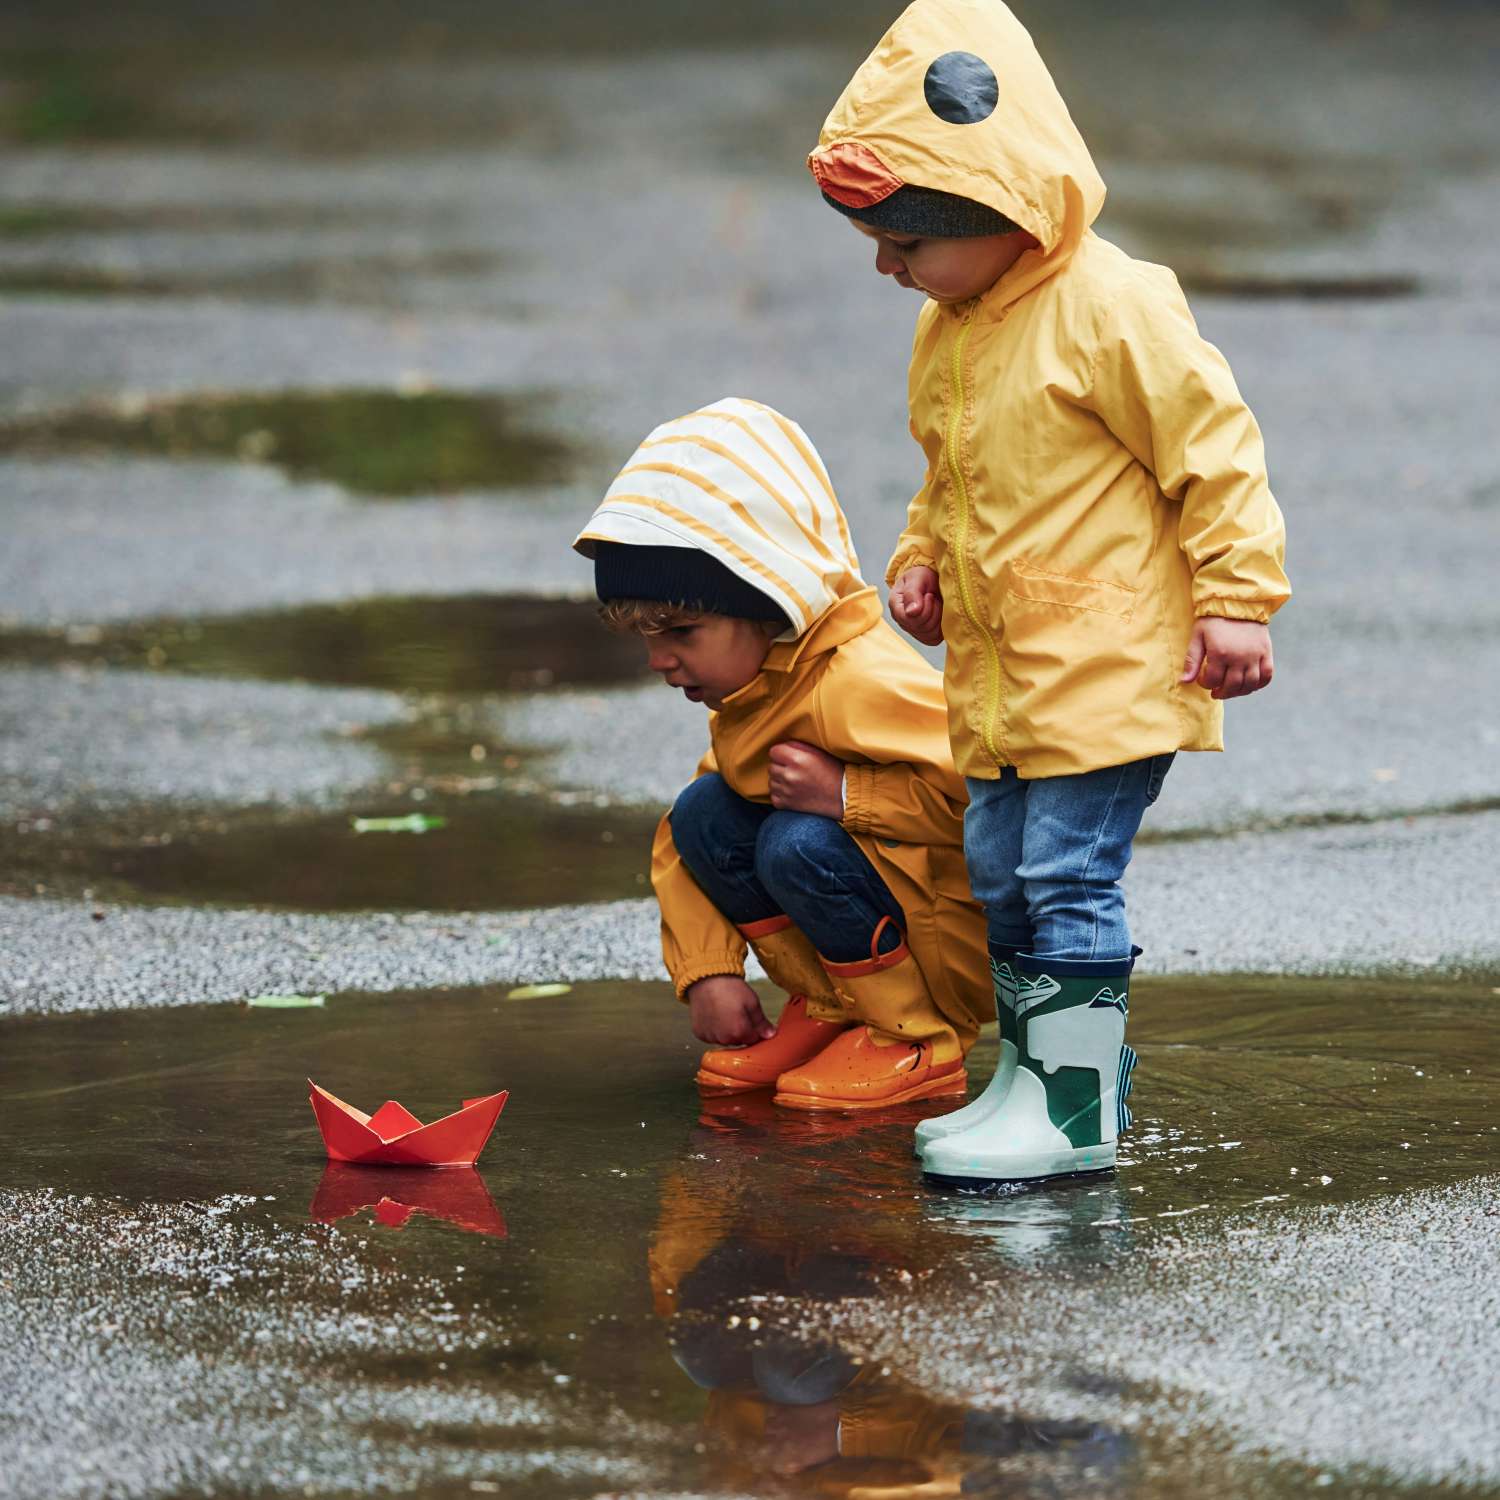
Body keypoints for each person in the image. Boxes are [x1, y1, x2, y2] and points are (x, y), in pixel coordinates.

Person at [808, 0, 1290, 1180]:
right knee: (1003, 876)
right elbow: (950, 473)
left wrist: (1237, 595)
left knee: (1069, 875)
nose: (888, 265)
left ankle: (1072, 1111)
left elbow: (1212, 449)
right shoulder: (951, 327)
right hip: (1006, 676)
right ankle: (1038, 1078)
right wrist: (919, 562)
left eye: (906, 239)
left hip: (1110, 667)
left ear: (1000, 209)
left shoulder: (1111, 306)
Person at [572, 396, 991, 1112]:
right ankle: (833, 1008)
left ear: (768, 595)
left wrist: (848, 797)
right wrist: (708, 972)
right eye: (643, 637)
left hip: (946, 948)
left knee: (798, 840)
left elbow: (988, 803)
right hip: (873, 931)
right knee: (705, 811)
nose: (660, 660)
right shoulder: (764, 687)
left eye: (679, 630)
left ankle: (915, 1038)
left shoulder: (857, 680)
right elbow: (685, 841)